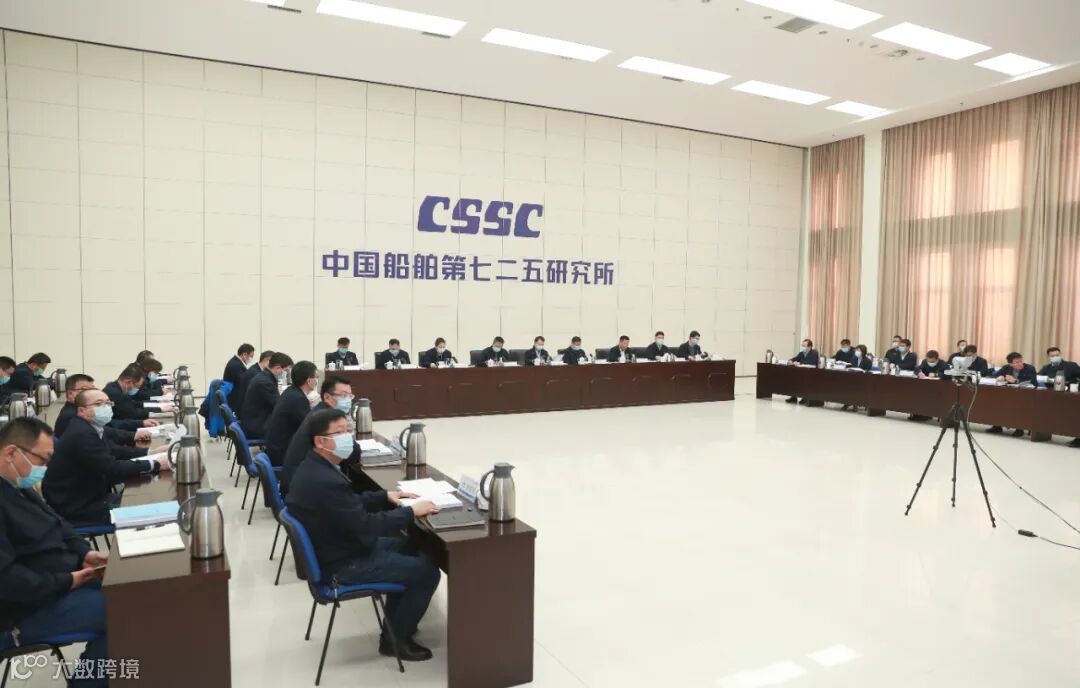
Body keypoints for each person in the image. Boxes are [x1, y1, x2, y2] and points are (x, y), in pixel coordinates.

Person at [285, 409, 441, 662]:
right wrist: (411, 512)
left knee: (411, 546)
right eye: (340, 432)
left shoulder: (315, 466)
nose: (348, 436)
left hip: (340, 547)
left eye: (348, 430)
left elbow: (348, 505)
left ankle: (398, 624)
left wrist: (384, 496)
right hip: (343, 564)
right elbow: (366, 525)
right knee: (427, 573)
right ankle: (395, 641)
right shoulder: (324, 480)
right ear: (320, 441)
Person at [0, 417, 110, 688]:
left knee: (131, 592)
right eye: (43, 460)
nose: (45, 468)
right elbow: (8, 581)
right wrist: (68, 581)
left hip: (56, 586)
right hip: (21, 611)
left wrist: (84, 553)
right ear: (12, 453)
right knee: (125, 614)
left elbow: (59, 525)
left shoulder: (17, 486)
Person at [43, 390, 170, 526]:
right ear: (81, 411)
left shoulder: (90, 427)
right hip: (78, 507)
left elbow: (116, 451)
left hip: (90, 496)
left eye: (108, 403)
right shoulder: (81, 434)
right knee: (155, 511)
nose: (106, 407)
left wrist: (150, 452)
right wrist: (154, 464)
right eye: (99, 404)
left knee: (152, 503)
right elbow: (111, 467)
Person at [280, 377, 359, 495]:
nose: (348, 400)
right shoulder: (325, 419)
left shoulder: (320, 412)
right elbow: (354, 454)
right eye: (343, 396)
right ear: (327, 397)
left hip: (299, 480)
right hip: (302, 490)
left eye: (350, 396)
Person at [55, 375, 157, 437]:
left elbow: (110, 425)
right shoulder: (73, 415)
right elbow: (108, 432)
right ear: (70, 394)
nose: (91, 392)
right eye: (85, 389)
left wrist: (141, 423)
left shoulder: (81, 408)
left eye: (93, 388)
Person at [265, 360, 318, 467]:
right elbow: (312, 428)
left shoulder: (291, 391)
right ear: (308, 380)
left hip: (276, 448)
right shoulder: (298, 399)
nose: (317, 380)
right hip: (283, 455)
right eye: (316, 377)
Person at [241, 352, 293, 441]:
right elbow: (278, 407)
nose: (286, 373)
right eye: (286, 370)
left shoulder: (265, 377)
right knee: (293, 429)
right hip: (257, 427)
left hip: (255, 421)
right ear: (278, 368)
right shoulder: (265, 383)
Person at [987, 352, 1038, 437]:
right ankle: (997, 426)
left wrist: (1016, 381)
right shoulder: (1006, 368)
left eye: (1021, 361)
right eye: (1017, 362)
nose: (1020, 363)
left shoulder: (1030, 368)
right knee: (997, 402)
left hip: (1026, 395)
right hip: (1009, 394)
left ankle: (1019, 429)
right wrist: (999, 378)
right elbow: (994, 376)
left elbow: (1032, 382)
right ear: (1010, 364)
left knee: (1018, 405)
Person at [234, 350, 273, 414]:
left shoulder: (256, 368)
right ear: (266, 360)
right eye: (273, 363)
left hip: (247, 407)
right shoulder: (255, 374)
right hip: (247, 412)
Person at [785, 339, 820, 404]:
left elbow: (811, 363)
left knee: (803, 380)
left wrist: (799, 363)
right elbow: (795, 358)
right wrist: (791, 361)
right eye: (802, 345)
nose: (802, 347)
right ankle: (793, 397)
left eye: (804, 346)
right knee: (793, 379)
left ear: (809, 347)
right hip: (802, 373)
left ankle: (805, 398)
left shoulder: (814, 353)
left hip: (811, 374)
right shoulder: (802, 353)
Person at [224, 344, 256, 408]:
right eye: (251, 356)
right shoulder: (236, 365)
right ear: (244, 354)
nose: (251, 359)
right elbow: (244, 382)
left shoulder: (236, 362)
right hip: (235, 400)